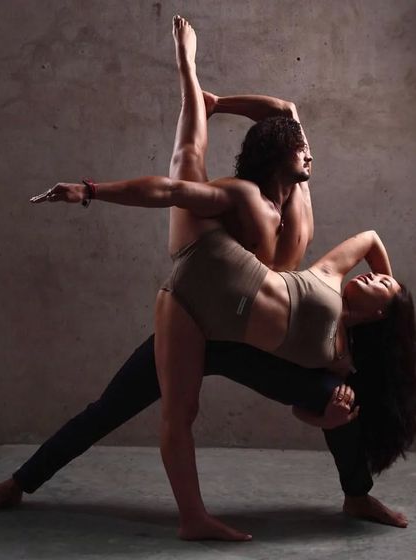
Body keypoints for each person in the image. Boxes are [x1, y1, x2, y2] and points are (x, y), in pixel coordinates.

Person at [25, 16, 416, 541]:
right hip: (203, 317)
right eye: (301, 149)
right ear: (281, 155)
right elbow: (176, 188)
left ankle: (357, 493)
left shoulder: (305, 221)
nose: (311, 152)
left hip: (251, 341)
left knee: (339, 401)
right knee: (111, 408)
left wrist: (391, 301)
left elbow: (287, 112)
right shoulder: (250, 203)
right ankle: (21, 482)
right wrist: (91, 190)